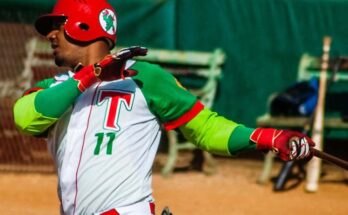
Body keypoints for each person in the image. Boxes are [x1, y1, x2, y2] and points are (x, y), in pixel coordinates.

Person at [13, 0, 315, 214]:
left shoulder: (146, 78)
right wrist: (87, 77)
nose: (49, 35)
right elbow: (26, 118)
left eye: (57, 25)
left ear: (83, 26)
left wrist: (266, 137)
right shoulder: (54, 89)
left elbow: (206, 129)